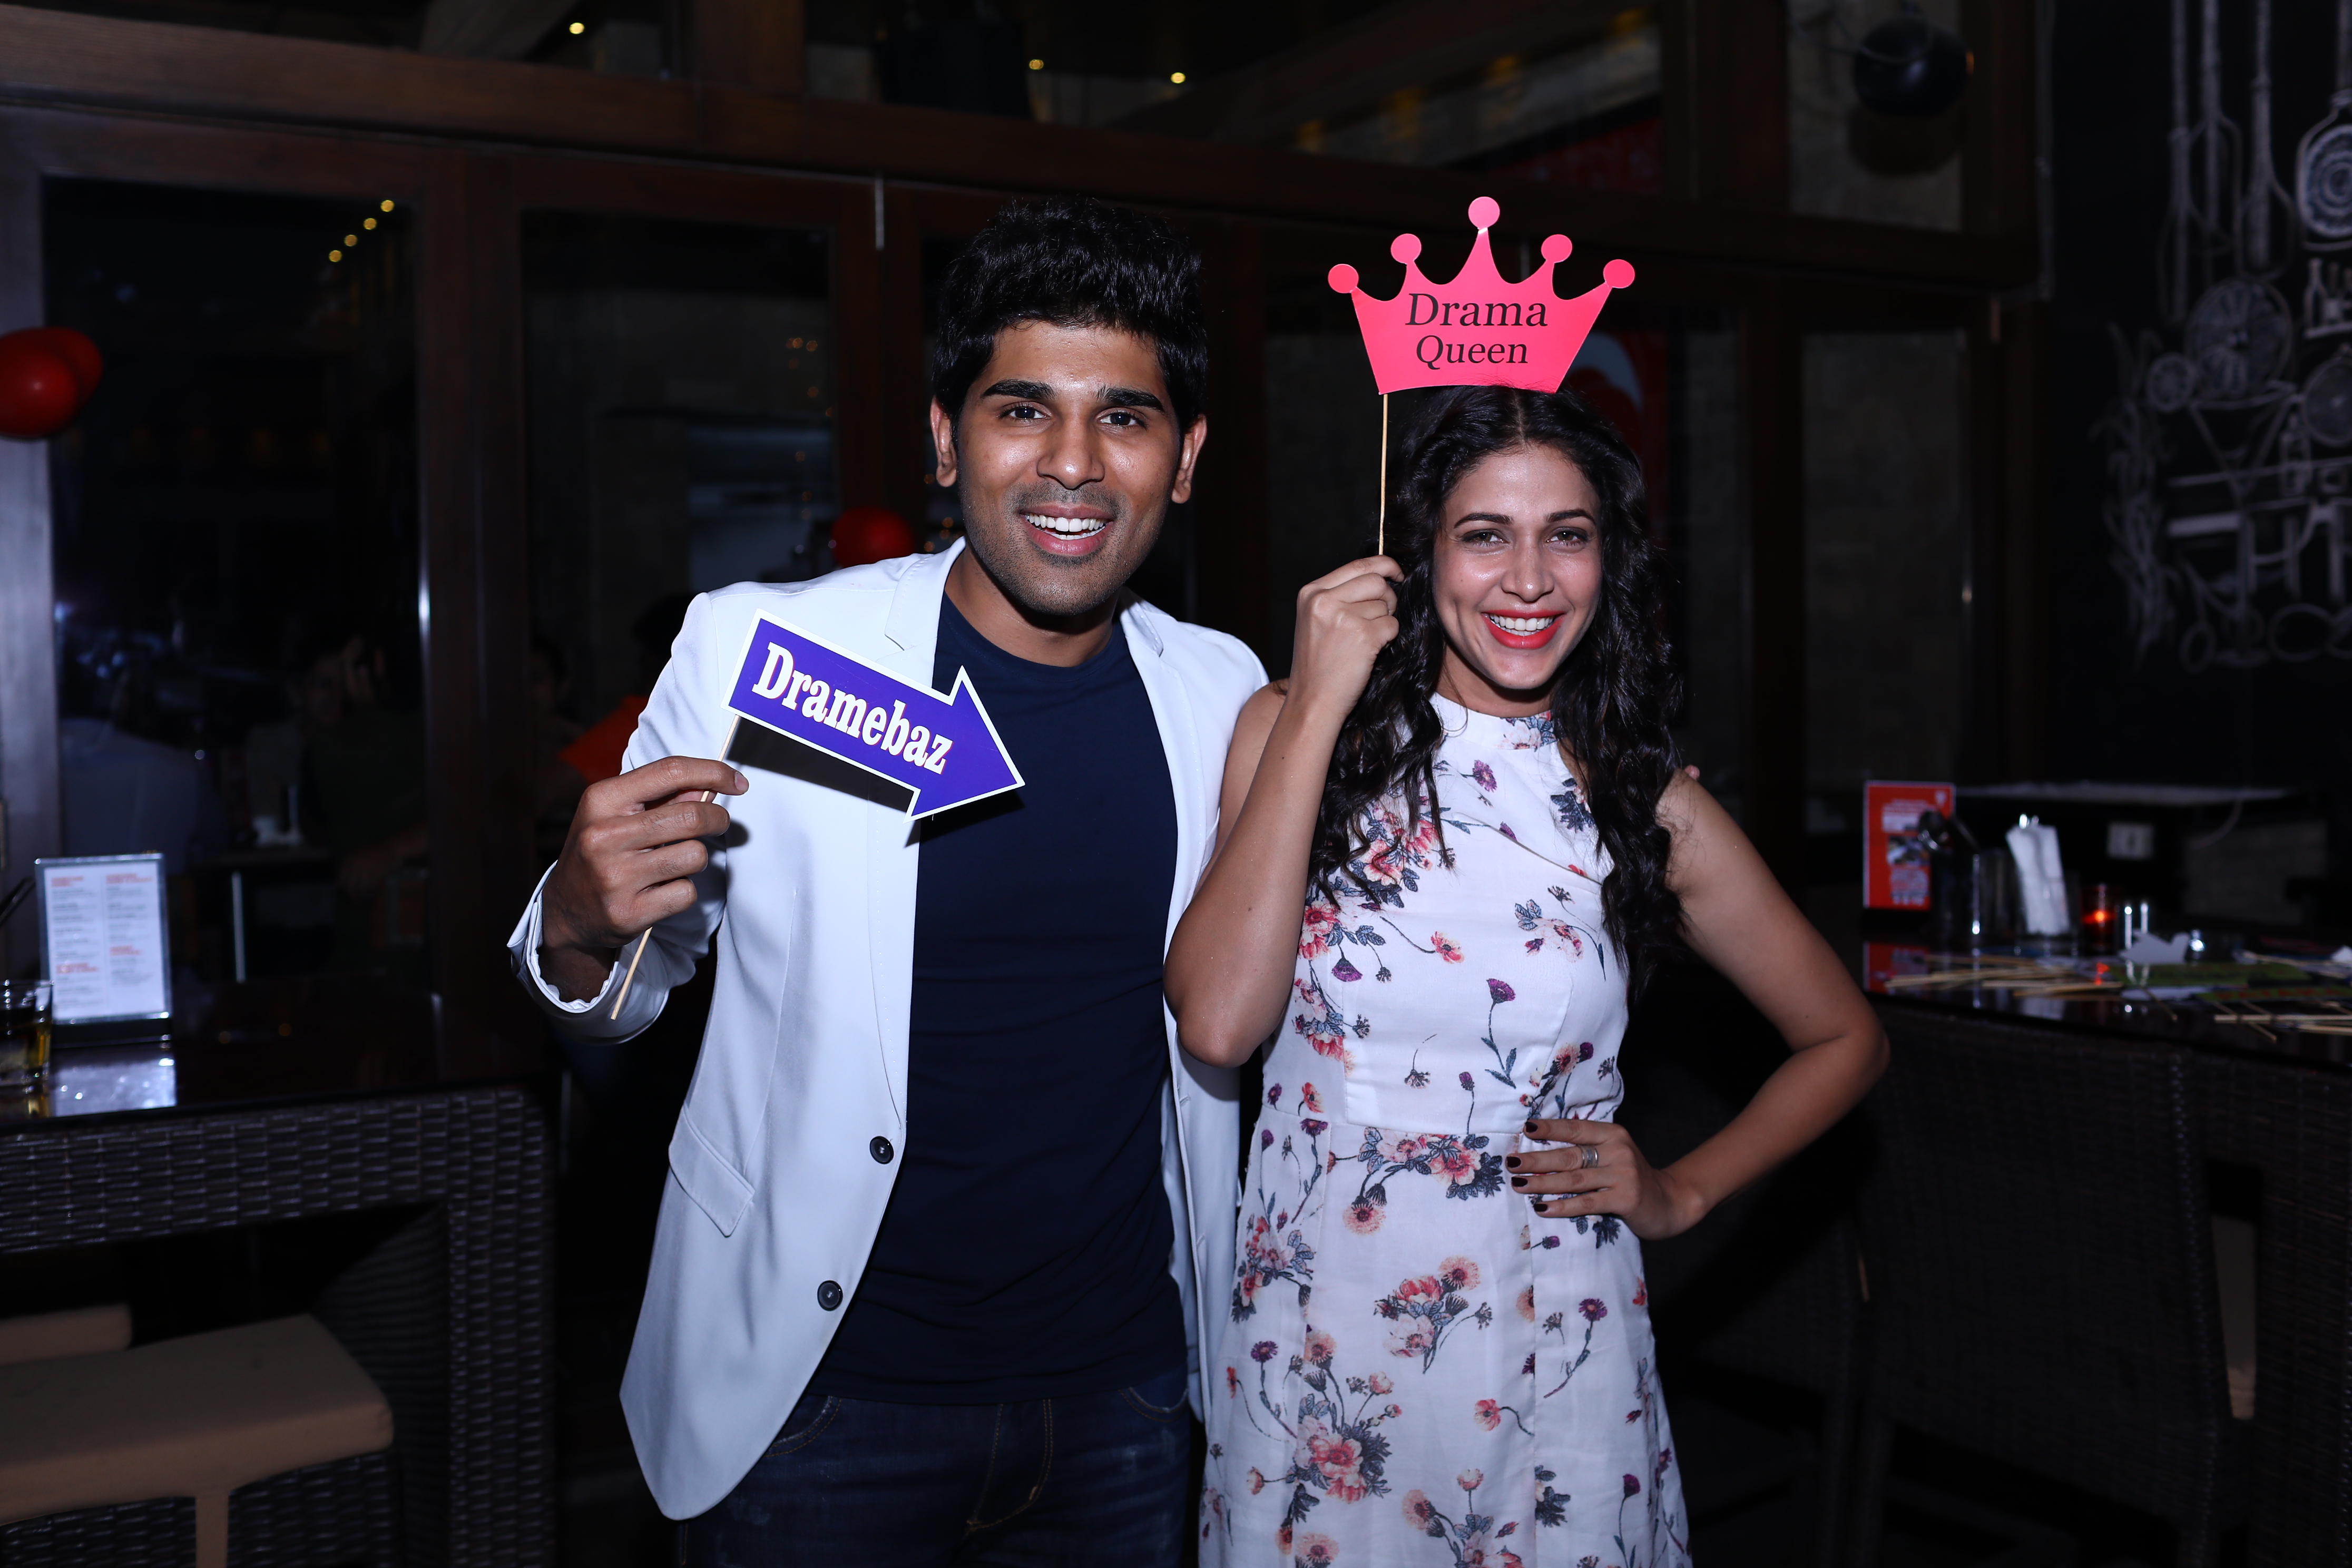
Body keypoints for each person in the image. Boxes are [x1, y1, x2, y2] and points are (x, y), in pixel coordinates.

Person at [507, 195, 1265, 1562]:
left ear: (1188, 457)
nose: (1073, 464)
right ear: (945, 438)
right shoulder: (767, 654)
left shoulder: (1225, 694)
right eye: (1022, 411)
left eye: (1126, 418)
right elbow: (624, 984)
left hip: (1124, 1390)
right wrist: (574, 917)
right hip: (817, 1400)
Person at [1167, 386, 1888, 1565]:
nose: (1530, 579)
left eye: (1568, 534)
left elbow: (1845, 1037)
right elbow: (1216, 1025)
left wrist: (1681, 1194)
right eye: (1485, 534)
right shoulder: (1293, 729)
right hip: (1317, 1346)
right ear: (1422, 553)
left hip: (1555, 1338)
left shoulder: (1639, 798)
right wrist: (1320, 702)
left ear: (1610, 560)